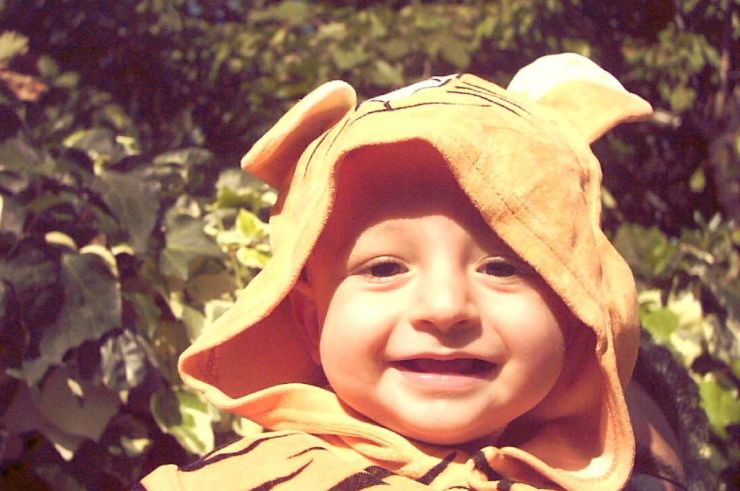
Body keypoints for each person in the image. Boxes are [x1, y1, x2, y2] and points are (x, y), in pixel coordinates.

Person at [138, 54, 690, 490]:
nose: (446, 307)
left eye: (503, 267)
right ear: (311, 319)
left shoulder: (616, 465)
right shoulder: (245, 478)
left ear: (575, 312)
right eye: (383, 268)